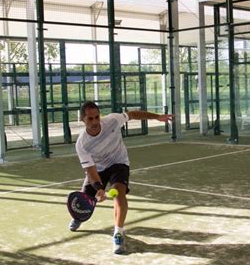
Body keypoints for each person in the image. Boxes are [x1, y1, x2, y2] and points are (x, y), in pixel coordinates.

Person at [69, 101, 174, 254]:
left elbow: (132, 114)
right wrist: (98, 188)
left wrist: (157, 117)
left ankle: (118, 233)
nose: (95, 121)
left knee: (119, 193)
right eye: (90, 119)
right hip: (98, 168)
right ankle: (80, 216)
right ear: (82, 119)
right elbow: (90, 171)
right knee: (85, 198)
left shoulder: (112, 120)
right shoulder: (82, 144)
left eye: (97, 117)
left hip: (119, 162)